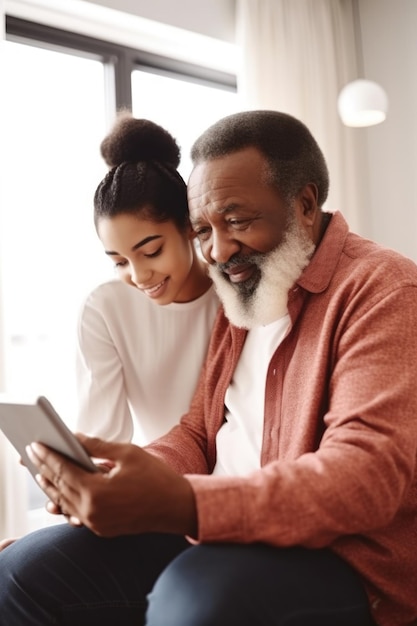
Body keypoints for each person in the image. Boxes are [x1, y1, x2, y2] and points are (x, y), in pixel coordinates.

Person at [0, 110, 416, 626]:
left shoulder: (383, 290)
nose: (218, 250)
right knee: (23, 570)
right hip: (214, 530)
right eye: (203, 230)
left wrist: (181, 502)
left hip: (335, 559)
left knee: (196, 602)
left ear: (305, 204)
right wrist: (121, 478)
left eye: (237, 221)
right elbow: (199, 432)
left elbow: (364, 480)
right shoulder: (244, 293)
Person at [75, 111, 219, 444]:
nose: (139, 276)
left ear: (188, 225)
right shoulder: (104, 310)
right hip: (156, 478)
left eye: (151, 251)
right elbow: (104, 441)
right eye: (120, 261)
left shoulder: (235, 294)